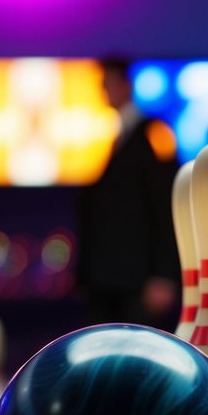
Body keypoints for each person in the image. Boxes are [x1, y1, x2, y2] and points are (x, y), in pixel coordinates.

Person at [76, 57, 179, 327]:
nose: (104, 91)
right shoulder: (118, 137)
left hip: (137, 280)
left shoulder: (153, 134)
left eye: (108, 83)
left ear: (125, 86)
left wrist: (164, 274)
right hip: (108, 279)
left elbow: (166, 206)